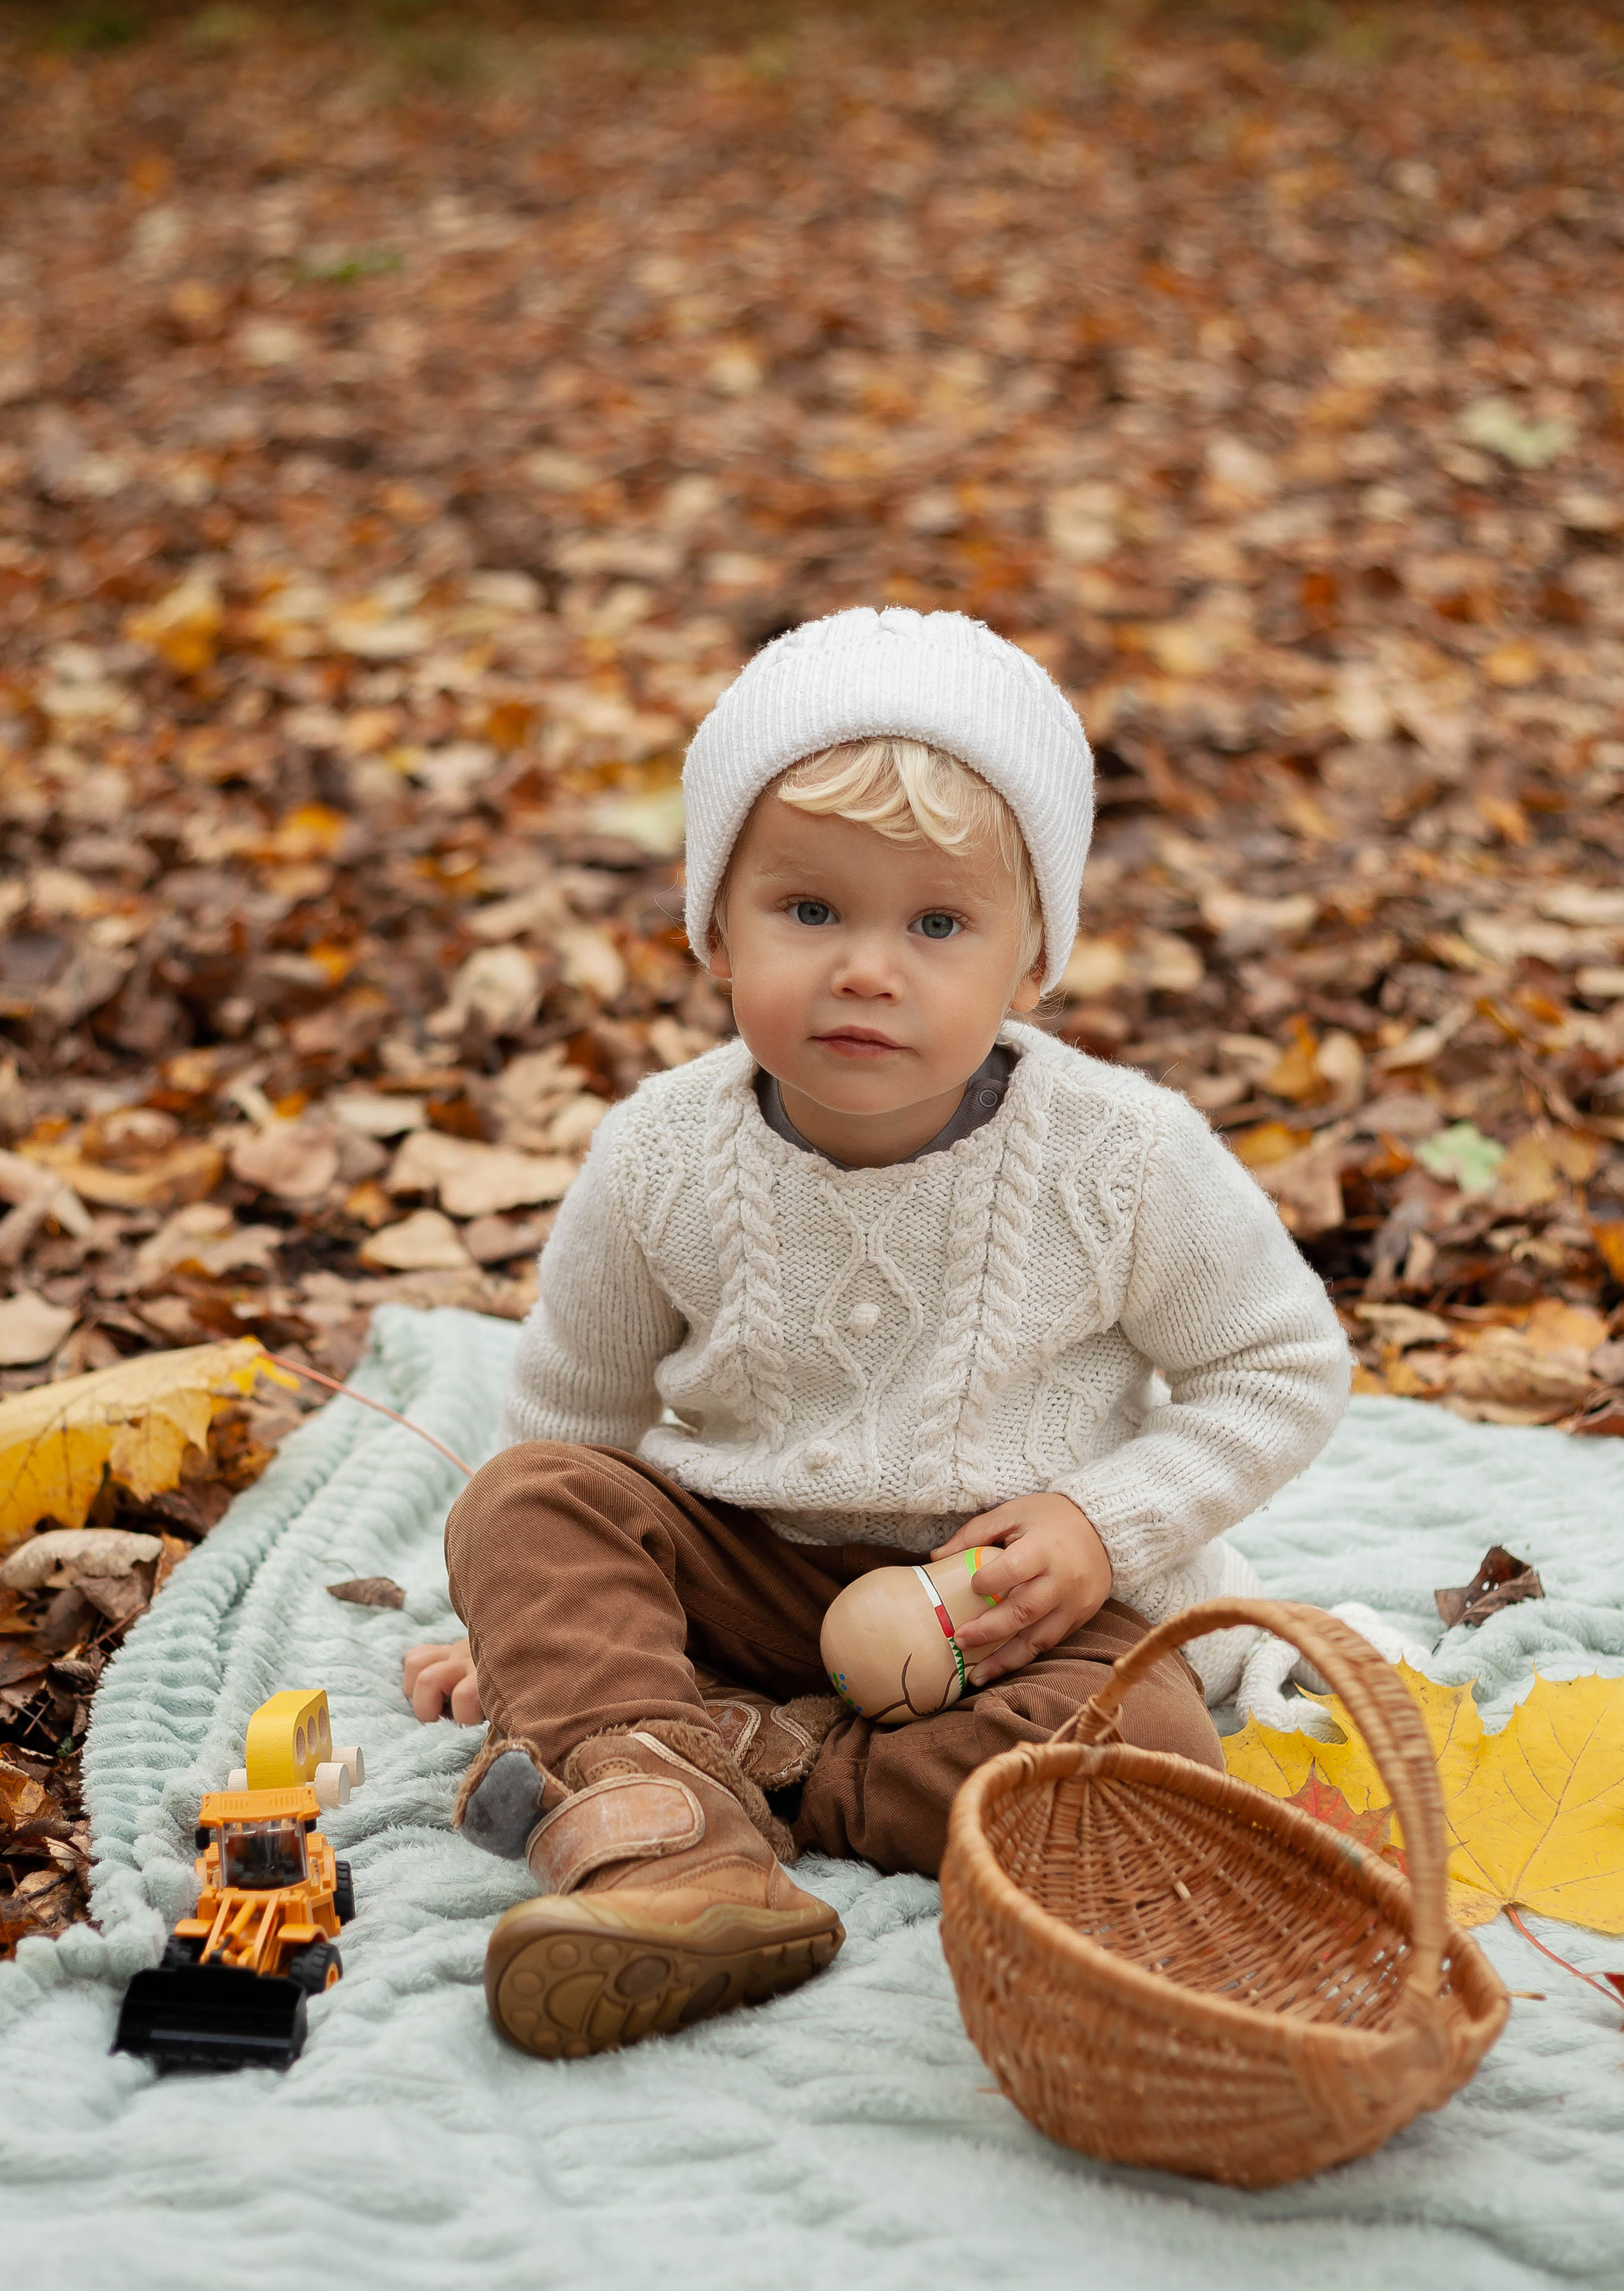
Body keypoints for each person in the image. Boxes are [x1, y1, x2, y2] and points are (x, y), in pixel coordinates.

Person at [403, 607, 1351, 2062]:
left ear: (1031, 959)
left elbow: (1275, 1363)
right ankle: (679, 1852)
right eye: (808, 911)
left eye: (935, 924)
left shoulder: (1122, 1155)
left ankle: (723, 1768)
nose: (865, 968)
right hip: (745, 1560)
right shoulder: (658, 1152)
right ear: (714, 925)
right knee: (520, 1505)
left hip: (1011, 1608)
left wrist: (1102, 1524)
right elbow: (570, 1421)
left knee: (1146, 1750)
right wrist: (505, 1624)